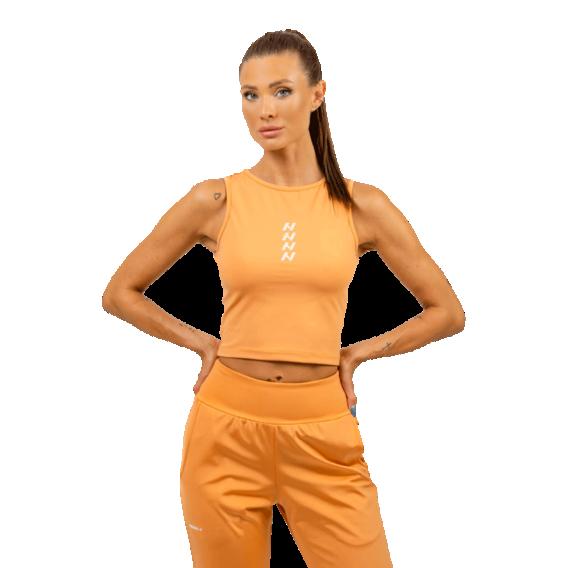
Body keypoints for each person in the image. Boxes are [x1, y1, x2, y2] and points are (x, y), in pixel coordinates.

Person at [102, 29, 465, 568]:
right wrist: (202, 343)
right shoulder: (215, 199)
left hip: (323, 430)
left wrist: (356, 353)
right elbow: (120, 293)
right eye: (250, 95)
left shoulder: (362, 206)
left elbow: (447, 312)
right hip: (224, 429)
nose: (264, 110)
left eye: (281, 91)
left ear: (317, 94)